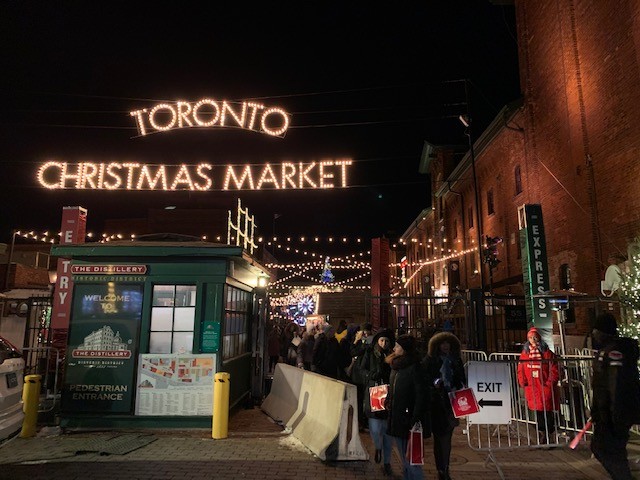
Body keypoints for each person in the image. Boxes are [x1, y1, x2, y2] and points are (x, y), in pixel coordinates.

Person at [590, 312, 640, 480]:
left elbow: (615, 386)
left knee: (609, 450)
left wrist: (612, 416)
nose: (594, 335)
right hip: (607, 414)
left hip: (614, 415)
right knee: (604, 449)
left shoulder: (614, 352)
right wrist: (596, 411)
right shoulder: (607, 350)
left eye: (596, 331)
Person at [385, 334, 430, 480]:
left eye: (397, 346)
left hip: (409, 418)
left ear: (404, 349)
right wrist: (388, 399)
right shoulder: (396, 365)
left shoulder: (415, 367)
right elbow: (394, 387)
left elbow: (421, 394)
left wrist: (414, 417)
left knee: (411, 459)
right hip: (397, 416)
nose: (394, 348)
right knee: (404, 457)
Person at [423, 332, 466, 480]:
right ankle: (441, 468)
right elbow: (424, 378)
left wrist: (457, 386)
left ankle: (445, 469)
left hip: (451, 403)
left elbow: (462, 379)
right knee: (439, 438)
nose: (446, 346)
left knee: (447, 437)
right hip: (436, 403)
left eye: (448, 343)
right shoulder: (430, 361)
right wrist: (435, 382)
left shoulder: (456, 360)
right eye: (443, 343)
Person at [360, 328, 395, 475]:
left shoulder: (393, 355)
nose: (384, 343)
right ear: (377, 341)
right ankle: (378, 446)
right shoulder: (370, 353)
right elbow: (361, 370)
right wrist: (371, 376)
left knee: (387, 430)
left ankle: (387, 462)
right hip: (374, 392)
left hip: (389, 394)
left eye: (387, 341)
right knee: (374, 428)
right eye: (382, 340)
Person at [516, 326, 559, 444]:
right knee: (538, 412)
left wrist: (549, 383)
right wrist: (523, 382)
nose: (533, 340)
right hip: (533, 387)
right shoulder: (525, 354)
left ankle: (549, 435)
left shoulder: (547, 353)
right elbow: (521, 369)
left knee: (547, 412)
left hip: (544, 387)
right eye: (530, 338)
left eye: (534, 337)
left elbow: (554, 370)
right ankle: (541, 434)